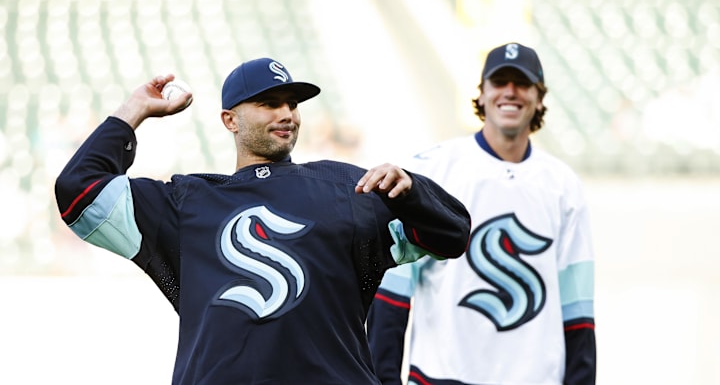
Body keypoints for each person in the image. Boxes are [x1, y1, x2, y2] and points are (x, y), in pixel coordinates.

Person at [54, 57, 471, 385]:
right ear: (229, 120)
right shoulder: (186, 202)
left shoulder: (349, 188)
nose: (287, 113)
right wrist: (135, 109)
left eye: (292, 103)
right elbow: (78, 191)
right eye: (269, 103)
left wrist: (414, 191)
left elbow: (452, 235)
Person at [367, 43, 596, 385]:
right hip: (442, 377)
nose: (510, 92)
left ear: (539, 96)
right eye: (499, 81)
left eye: (522, 83)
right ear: (483, 92)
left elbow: (577, 306)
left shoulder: (563, 185)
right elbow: (393, 291)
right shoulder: (431, 169)